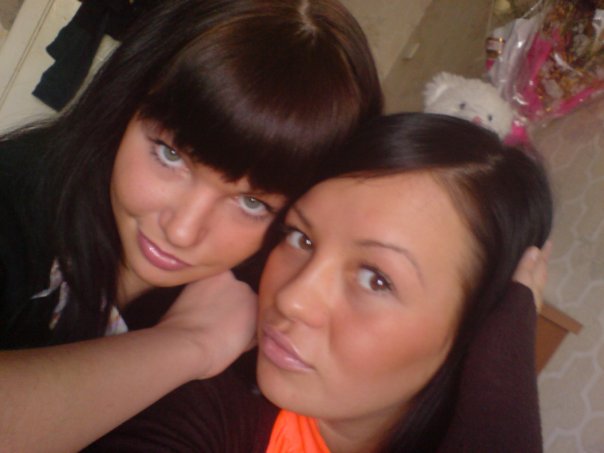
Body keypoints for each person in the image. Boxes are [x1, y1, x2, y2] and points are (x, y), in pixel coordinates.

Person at [0, 0, 383, 451]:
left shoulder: (267, 321)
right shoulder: (14, 201)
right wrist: (190, 343)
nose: (182, 231)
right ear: (125, 104)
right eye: (170, 154)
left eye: (253, 202)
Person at [86, 113, 553, 453]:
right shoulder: (208, 413)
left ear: (478, 336)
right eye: (301, 238)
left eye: (376, 279)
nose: (292, 299)